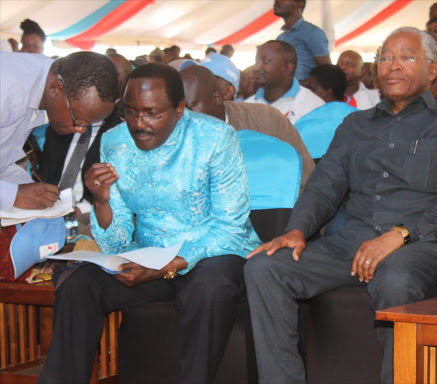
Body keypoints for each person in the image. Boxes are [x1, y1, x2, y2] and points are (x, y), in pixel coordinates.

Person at [244, 27, 437, 384]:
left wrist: (400, 235)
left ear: (432, 70)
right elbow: (323, 186)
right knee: (265, 268)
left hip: (427, 244)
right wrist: (296, 231)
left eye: (406, 57)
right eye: (385, 57)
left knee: (396, 275)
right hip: (351, 243)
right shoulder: (355, 124)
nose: (393, 66)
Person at [37, 63, 261, 384]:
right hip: (149, 256)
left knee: (208, 287)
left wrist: (165, 267)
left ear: (180, 109)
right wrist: (101, 201)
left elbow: (231, 227)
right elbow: (115, 244)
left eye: (152, 112)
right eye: (130, 112)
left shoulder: (215, 138)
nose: (139, 124)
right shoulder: (115, 142)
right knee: (78, 283)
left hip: (213, 255)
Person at [0, 51, 117, 213]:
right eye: (78, 120)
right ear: (56, 88)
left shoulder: (42, 82)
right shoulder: (7, 88)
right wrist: (13, 195)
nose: (81, 130)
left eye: (90, 124)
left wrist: (23, 187)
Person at [180, 65, 314, 191]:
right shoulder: (173, 134)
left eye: (190, 107)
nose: (184, 116)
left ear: (217, 98)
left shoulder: (267, 120)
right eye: (178, 109)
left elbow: (307, 179)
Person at [34, 53, 131, 223]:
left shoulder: (122, 134)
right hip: (49, 207)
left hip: (89, 212)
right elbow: (45, 173)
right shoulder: (63, 117)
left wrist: (82, 208)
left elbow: (121, 195)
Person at [244, 40, 324, 124]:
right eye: (256, 61)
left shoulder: (313, 107)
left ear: (287, 68)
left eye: (266, 61)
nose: (257, 67)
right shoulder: (246, 107)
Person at [295, 64, 358, 160]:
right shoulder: (364, 119)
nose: (308, 93)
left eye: (312, 89)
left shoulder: (304, 122)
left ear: (328, 93)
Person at [274, 0, 330, 84]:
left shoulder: (312, 32)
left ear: (299, 4)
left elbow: (328, 72)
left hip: (306, 93)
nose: (276, 1)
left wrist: (297, 85)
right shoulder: (280, 38)